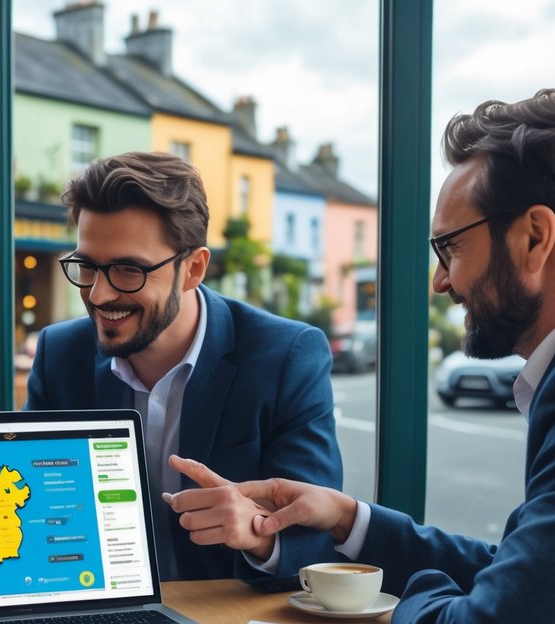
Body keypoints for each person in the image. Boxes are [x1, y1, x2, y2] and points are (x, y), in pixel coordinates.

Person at [166, 89, 555, 624]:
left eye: (448, 247)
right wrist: (347, 519)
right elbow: (536, 579)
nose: (439, 282)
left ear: (534, 237)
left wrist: (403, 601)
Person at [25, 150, 343, 582]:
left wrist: (260, 535)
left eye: (127, 270)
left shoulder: (286, 356)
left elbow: (318, 536)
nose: (98, 294)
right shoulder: (60, 355)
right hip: (93, 621)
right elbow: (31, 509)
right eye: (86, 266)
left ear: (193, 268)